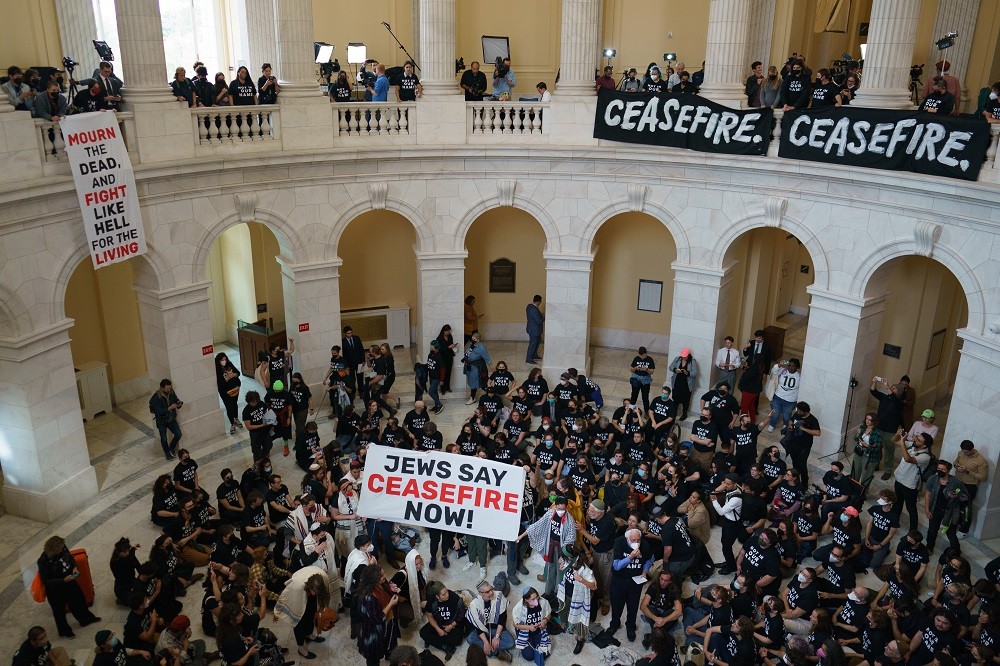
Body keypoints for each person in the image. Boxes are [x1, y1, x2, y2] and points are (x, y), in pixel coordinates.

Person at [37, 535, 101, 638]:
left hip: (70, 582)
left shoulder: (63, 548)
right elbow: (46, 581)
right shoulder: (43, 561)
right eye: (60, 549)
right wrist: (63, 580)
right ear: (53, 549)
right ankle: (65, 631)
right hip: (55, 590)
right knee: (59, 612)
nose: (62, 549)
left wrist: (74, 567)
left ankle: (86, 619)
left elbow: (70, 557)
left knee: (79, 601)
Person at [520, 496, 575, 597]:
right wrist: (523, 535)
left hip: (562, 548)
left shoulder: (569, 520)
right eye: (558, 508)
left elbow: (570, 538)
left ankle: (557, 594)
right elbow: (538, 524)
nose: (560, 511)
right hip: (551, 545)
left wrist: (563, 555)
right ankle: (548, 592)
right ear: (555, 506)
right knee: (550, 569)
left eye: (563, 509)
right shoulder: (550, 514)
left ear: (566, 508)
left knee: (560, 573)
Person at [606, 527, 654, 641]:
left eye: (638, 540)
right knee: (617, 605)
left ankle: (630, 627)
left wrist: (645, 570)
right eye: (633, 540)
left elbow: (651, 558)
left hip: (635, 581)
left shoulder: (645, 545)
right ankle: (615, 624)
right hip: (619, 581)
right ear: (627, 538)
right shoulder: (620, 542)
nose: (636, 543)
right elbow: (616, 566)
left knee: (633, 606)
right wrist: (630, 557)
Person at [274, 566, 331, 660]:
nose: (315, 594)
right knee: (299, 621)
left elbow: (323, 594)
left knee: (312, 613)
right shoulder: (297, 586)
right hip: (299, 590)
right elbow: (285, 596)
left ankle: (309, 635)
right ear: (309, 587)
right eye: (313, 592)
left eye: (316, 592)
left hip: (310, 585)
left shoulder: (324, 578)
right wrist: (277, 612)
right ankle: (301, 648)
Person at [356, 565, 399, 665]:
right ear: (374, 580)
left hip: (386, 625)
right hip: (373, 632)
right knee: (373, 658)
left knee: (389, 645)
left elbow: (385, 590)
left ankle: (389, 654)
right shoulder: (369, 597)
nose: (384, 577)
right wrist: (391, 604)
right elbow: (377, 619)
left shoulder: (378, 584)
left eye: (383, 574)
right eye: (381, 576)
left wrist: (390, 588)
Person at [892, 431, 933, 532]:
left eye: (918, 440)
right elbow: (893, 440)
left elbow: (907, 458)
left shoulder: (925, 456)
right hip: (899, 479)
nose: (915, 439)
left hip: (910, 484)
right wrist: (897, 433)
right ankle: (894, 522)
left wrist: (903, 443)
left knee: (911, 508)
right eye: (916, 437)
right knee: (897, 502)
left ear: (924, 445)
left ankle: (913, 531)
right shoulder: (912, 445)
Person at [924, 460, 967, 555]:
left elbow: (963, 495)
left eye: (943, 469)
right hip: (936, 509)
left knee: (951, 533)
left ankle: (956, 552)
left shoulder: (956, 482)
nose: (940, 470)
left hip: (950, 512)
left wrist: (955, 496)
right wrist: (927, 510)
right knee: (932, 530)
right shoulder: (932, 479)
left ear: (948, 471)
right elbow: (928, 495)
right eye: (938, 468)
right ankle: (929, 548)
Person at [466, 579, 514, 662]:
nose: (491, 593)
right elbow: (478, 627)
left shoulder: (498, 595)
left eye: (491, 589)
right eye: (487, 592)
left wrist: (497, 637)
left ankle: (489, 650)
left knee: (511, 642)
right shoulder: (474, 605)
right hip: (483, 630)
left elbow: (502, 618)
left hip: (496, 628)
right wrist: (486, 643)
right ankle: (497, 653)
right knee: (470, 639)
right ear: (480, 594)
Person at [420, 581, 466, 661]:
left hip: (453, 623)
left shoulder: (454, 597)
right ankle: (446, 647)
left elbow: (462, 614)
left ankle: (433, 640)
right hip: (439, 623)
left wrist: (451, 626)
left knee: (457, 640)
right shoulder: (432, 600)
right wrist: (438, 629)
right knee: (423, 632)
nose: (447, 595)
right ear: (437, 596)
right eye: (443, 594)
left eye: (447, 591)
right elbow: (430, 617)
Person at [953, 439, 988, 534]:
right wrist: (956, 466)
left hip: (969, 486)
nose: (965, 454)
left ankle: (964, 530)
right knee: (954, 505)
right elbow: (955, 461)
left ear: (972, 449)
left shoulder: (981, 461)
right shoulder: (961, 453)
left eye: (967, 452)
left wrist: (968, 471)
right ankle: (953, 525)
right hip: (957, 482)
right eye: (963, 451)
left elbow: (983, 477)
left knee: (965, 509)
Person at [511, 587, 551, 666]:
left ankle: (535, 641)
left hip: (539, 630)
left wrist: (545, 620)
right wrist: (528, 628)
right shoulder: (518, 607)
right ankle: (522, 641)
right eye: (532, 599)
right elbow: (515, 624)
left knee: (545, 654)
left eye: (537, 597)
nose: (536, 600)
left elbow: (548, 614)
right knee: (529, 656)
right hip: (525, 631)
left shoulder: (543, 602)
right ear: (526, 600)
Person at [149, 379, 184, 460]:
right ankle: (167, 452)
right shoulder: (156, 397)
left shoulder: (171, 392)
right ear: (162, 388)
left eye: (169, 388)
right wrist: (169, 408)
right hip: (161, 420)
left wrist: (179, 404)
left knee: (178, 434)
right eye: (167, 389)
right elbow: (158, 411)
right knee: (164, 438)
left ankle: (171, 448)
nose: (169, 390)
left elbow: (175, 400)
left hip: (171, 418)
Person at [851, 412, 882, 492]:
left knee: (866, 476)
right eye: (866, 419)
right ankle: (853, 490)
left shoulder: (877, 432)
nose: (867, 421)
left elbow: (878, 448)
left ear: (874, 421)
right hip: (859, 452)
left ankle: (862, 493)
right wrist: (857, 435)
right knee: (855, 472)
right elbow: (855, 439)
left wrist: (867, 446)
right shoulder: (863, 427)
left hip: (869, 457)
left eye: (870, 420)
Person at [215, 352, 242, 435]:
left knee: (234, 404)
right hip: (225, 391)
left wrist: (233, 374)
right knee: (229, 407)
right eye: (222, 360)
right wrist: (226, 379)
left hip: (234, 388)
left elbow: (238, 373)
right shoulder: (217, 369)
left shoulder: (229, 365)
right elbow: (219, 383)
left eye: (225, 359)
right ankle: (232, 423)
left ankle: (236, 418)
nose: (224, 361)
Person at [668, 347, 697, 421]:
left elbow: (694, 373)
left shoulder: (692, 362)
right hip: (677, 382)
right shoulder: (677, 359)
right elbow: (671, 367)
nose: (683, 357)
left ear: (688, 355)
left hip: (686, 384)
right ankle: (674, 412)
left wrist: (687, 373)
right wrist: (675, 370)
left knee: (686, 400)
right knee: (675, 398)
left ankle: (684, 413)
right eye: (682, 356)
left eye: (685, 356)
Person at [462, 331, 492, 405]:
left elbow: (487, 358)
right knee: (472, 381)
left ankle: (473, 398)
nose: (472, 340)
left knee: (475, 383)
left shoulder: (481, 347)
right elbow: (468, 352)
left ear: (478, 339)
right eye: (472, 338)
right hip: (469, 366)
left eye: (474, 339)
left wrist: (492, 368)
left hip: (476, 368)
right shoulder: (471, 344)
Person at [525, 294, 544, 364]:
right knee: (533, 344)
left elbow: (536, 315)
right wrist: (544, 317)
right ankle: (529, 359)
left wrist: (541, 314)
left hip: (533, 329)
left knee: (538, 341)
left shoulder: (530, 306)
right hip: (534, 330)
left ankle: (534, 355)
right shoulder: (534, 309)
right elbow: (539, 320)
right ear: (538, 301)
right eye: (540, 301)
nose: (541, 303)